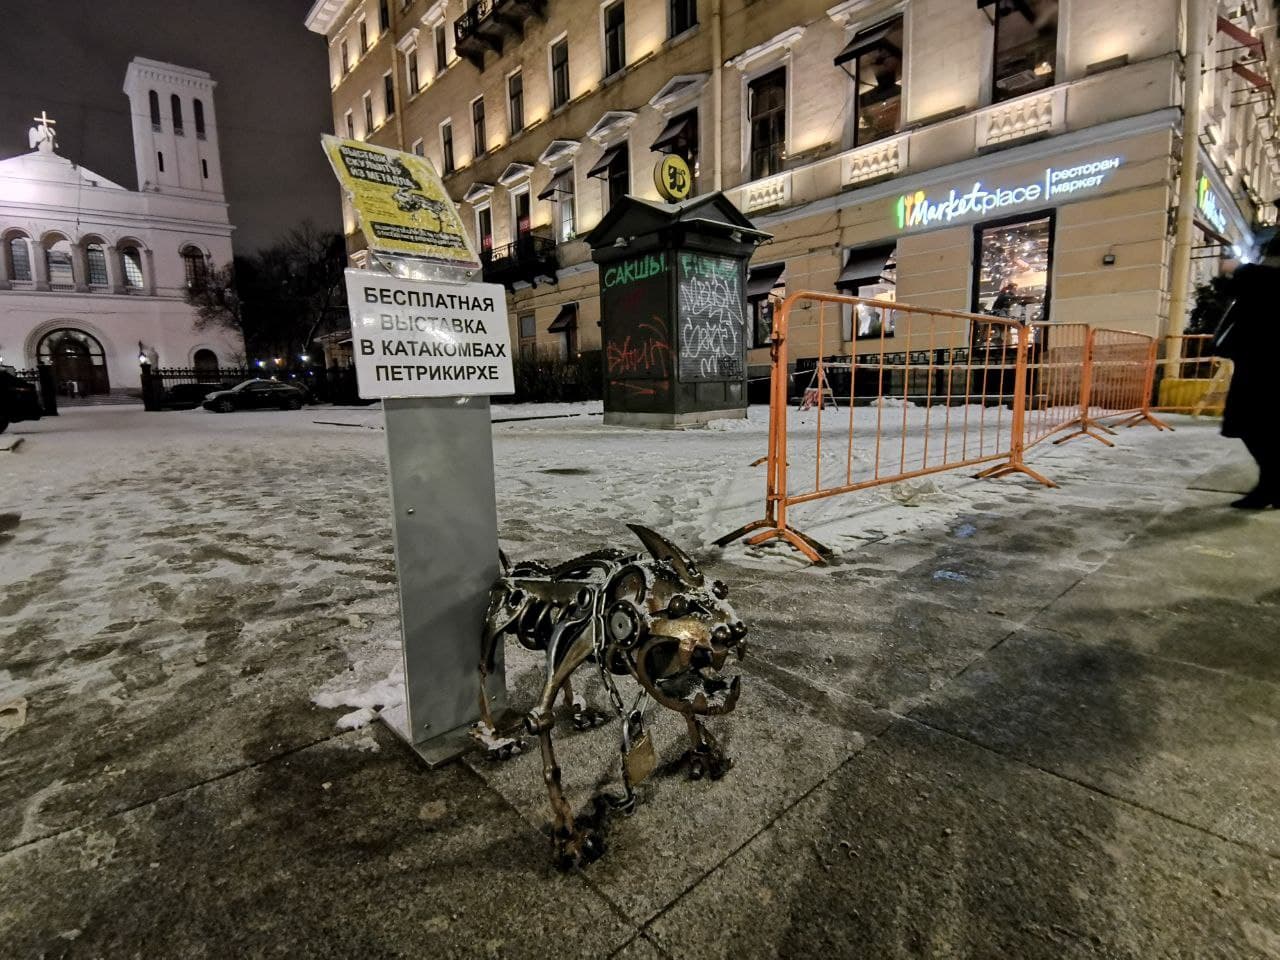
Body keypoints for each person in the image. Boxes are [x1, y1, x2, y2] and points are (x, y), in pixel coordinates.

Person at [1215, 239, 1280, 509]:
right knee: (1256, 425)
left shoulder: (1260, 275)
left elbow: (1255, 281)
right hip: (1259, 359)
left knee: (1251, 423)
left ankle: (1271, 485)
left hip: (1264, 362)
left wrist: (1239, 268)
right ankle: (1271, 484)